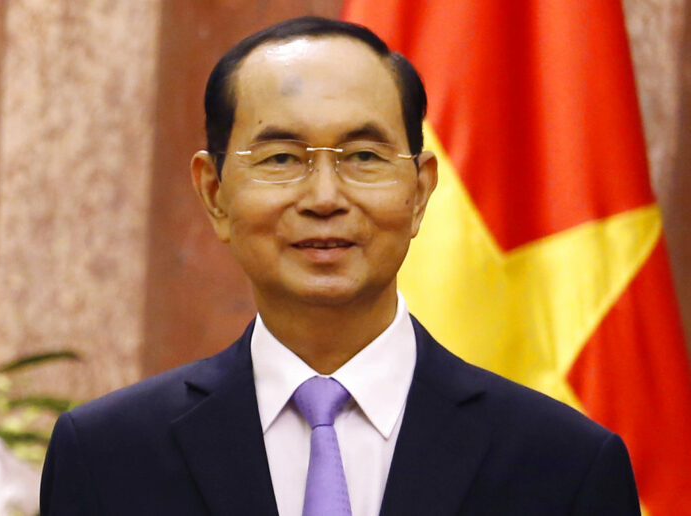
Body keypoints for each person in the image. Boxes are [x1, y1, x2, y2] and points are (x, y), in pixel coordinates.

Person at [40, 16, 641, 515]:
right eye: (280, 157)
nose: (325, 197)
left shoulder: (564, 467)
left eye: (362, 156)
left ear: (420, 192)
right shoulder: (106, 458)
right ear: (215, 193)